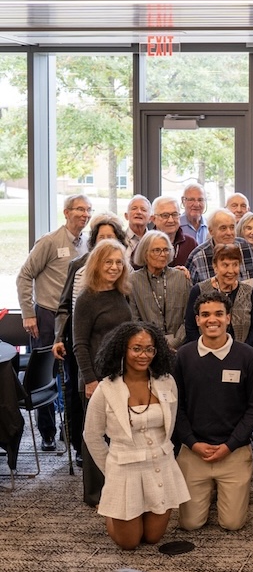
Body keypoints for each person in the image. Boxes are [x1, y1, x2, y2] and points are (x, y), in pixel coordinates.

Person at [83, 322, 189, 550]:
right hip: (125, 469)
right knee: (129, 543)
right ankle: (112, 507)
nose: (144, 355)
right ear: (122, 349)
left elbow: (170, 426)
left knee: (152, 538)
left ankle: (132, 510)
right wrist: (111, 469)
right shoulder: (106, 389)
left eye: (150, 349)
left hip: (160, 466)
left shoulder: (166, 382)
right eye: (137, 349)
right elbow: (92, 435)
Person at [174, 291, 253, 531]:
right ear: (197, 320)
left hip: (233, 451)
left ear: (229, 318)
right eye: (205, 315)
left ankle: (220, 492)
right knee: (190, 524)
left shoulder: (247, 356)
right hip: (194, 452)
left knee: (232, 523)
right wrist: (192, 443)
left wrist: (231, 444)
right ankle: (207, 494)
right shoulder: (183, 356)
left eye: (218, 314)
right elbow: (176, 408)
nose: (212, 320)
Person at [16, 193, 90, 452]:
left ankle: (67, 429)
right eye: (79, 209)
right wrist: (28, 313)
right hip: (46, 316)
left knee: (71, 374)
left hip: (72, 317)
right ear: (66, 212)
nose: (84, 214)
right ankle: (46, 431)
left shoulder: (87, 244)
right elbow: (24, 276)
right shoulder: (49, 241)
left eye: (88, 210)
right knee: (45, 375)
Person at [74, 239, 133, 506]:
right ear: (97, 264)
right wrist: (90, 379)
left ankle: (118, 487)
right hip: (95, 378)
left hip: (120, 375)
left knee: (118, 434)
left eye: (119, 262)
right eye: (108, 262)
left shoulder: (121, 292)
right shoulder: (87, 298)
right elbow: (80, 343)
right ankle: (96, 494)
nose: (114, 267)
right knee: (94, 437)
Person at [184, 244, 253, 348]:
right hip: (206, 353)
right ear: (215, 267)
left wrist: (243, 351)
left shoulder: (248, 291)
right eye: (225, 265)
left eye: (235, 265)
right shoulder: (199, 290)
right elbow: (190, 327)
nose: (231, 271)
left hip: (241, 355)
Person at [128, 231, 192, 351]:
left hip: (180, 347)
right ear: (145, 253)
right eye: (157, 250)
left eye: (166, 250)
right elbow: (134, 320)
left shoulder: (181, 277)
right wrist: (153, 343)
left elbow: (189, 316)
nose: (163, 254)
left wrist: (175, 341)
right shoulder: (133, 281)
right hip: (147, 348)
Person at [186, 209, 253, 286]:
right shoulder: (197, 257)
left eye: (232, 227)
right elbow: (191, 293)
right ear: (211, 231)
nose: (229, 233)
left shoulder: (245, 247)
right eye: (223, 228)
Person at [149, 196, 197, 268]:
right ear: (153, 219)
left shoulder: (190, 243)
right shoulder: (145, 243)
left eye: (175, 215)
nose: (171, 220)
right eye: (165, 215)